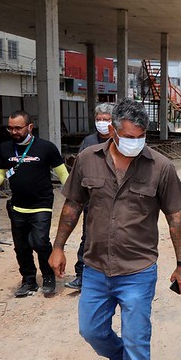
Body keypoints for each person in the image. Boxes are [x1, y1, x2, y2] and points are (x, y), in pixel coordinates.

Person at [48, 99, 181, 360]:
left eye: (141, 136)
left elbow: (174, 218)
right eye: (129, 136)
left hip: (137, 270)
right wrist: (58, 246)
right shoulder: (88, 159)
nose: (135, 142)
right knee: (91, 329)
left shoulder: (160, 167)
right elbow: (73, 205)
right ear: (112, 130)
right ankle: (118, 357)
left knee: (137, 338)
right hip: (96, 266)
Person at [0, 110, 69, 297]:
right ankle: (28, 280)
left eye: (18, 128)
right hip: (17, 206)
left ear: (30, 127)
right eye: (10, 128)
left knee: (40, 242)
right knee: (21, 246)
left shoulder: (46, 147)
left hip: (41, 204)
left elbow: (62, 173)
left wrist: (74, 194)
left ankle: (48, 275)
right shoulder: (5, 148)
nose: (13, 132)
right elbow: (0, 172)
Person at [65, 102, 114, 291]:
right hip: (92, 199)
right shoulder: (89, 141)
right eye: (98, 119)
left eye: (106, 119)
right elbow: (80, 169)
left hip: (114, 199)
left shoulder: (121, 140)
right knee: (88, 237)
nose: (102, 123)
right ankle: (81, 274)